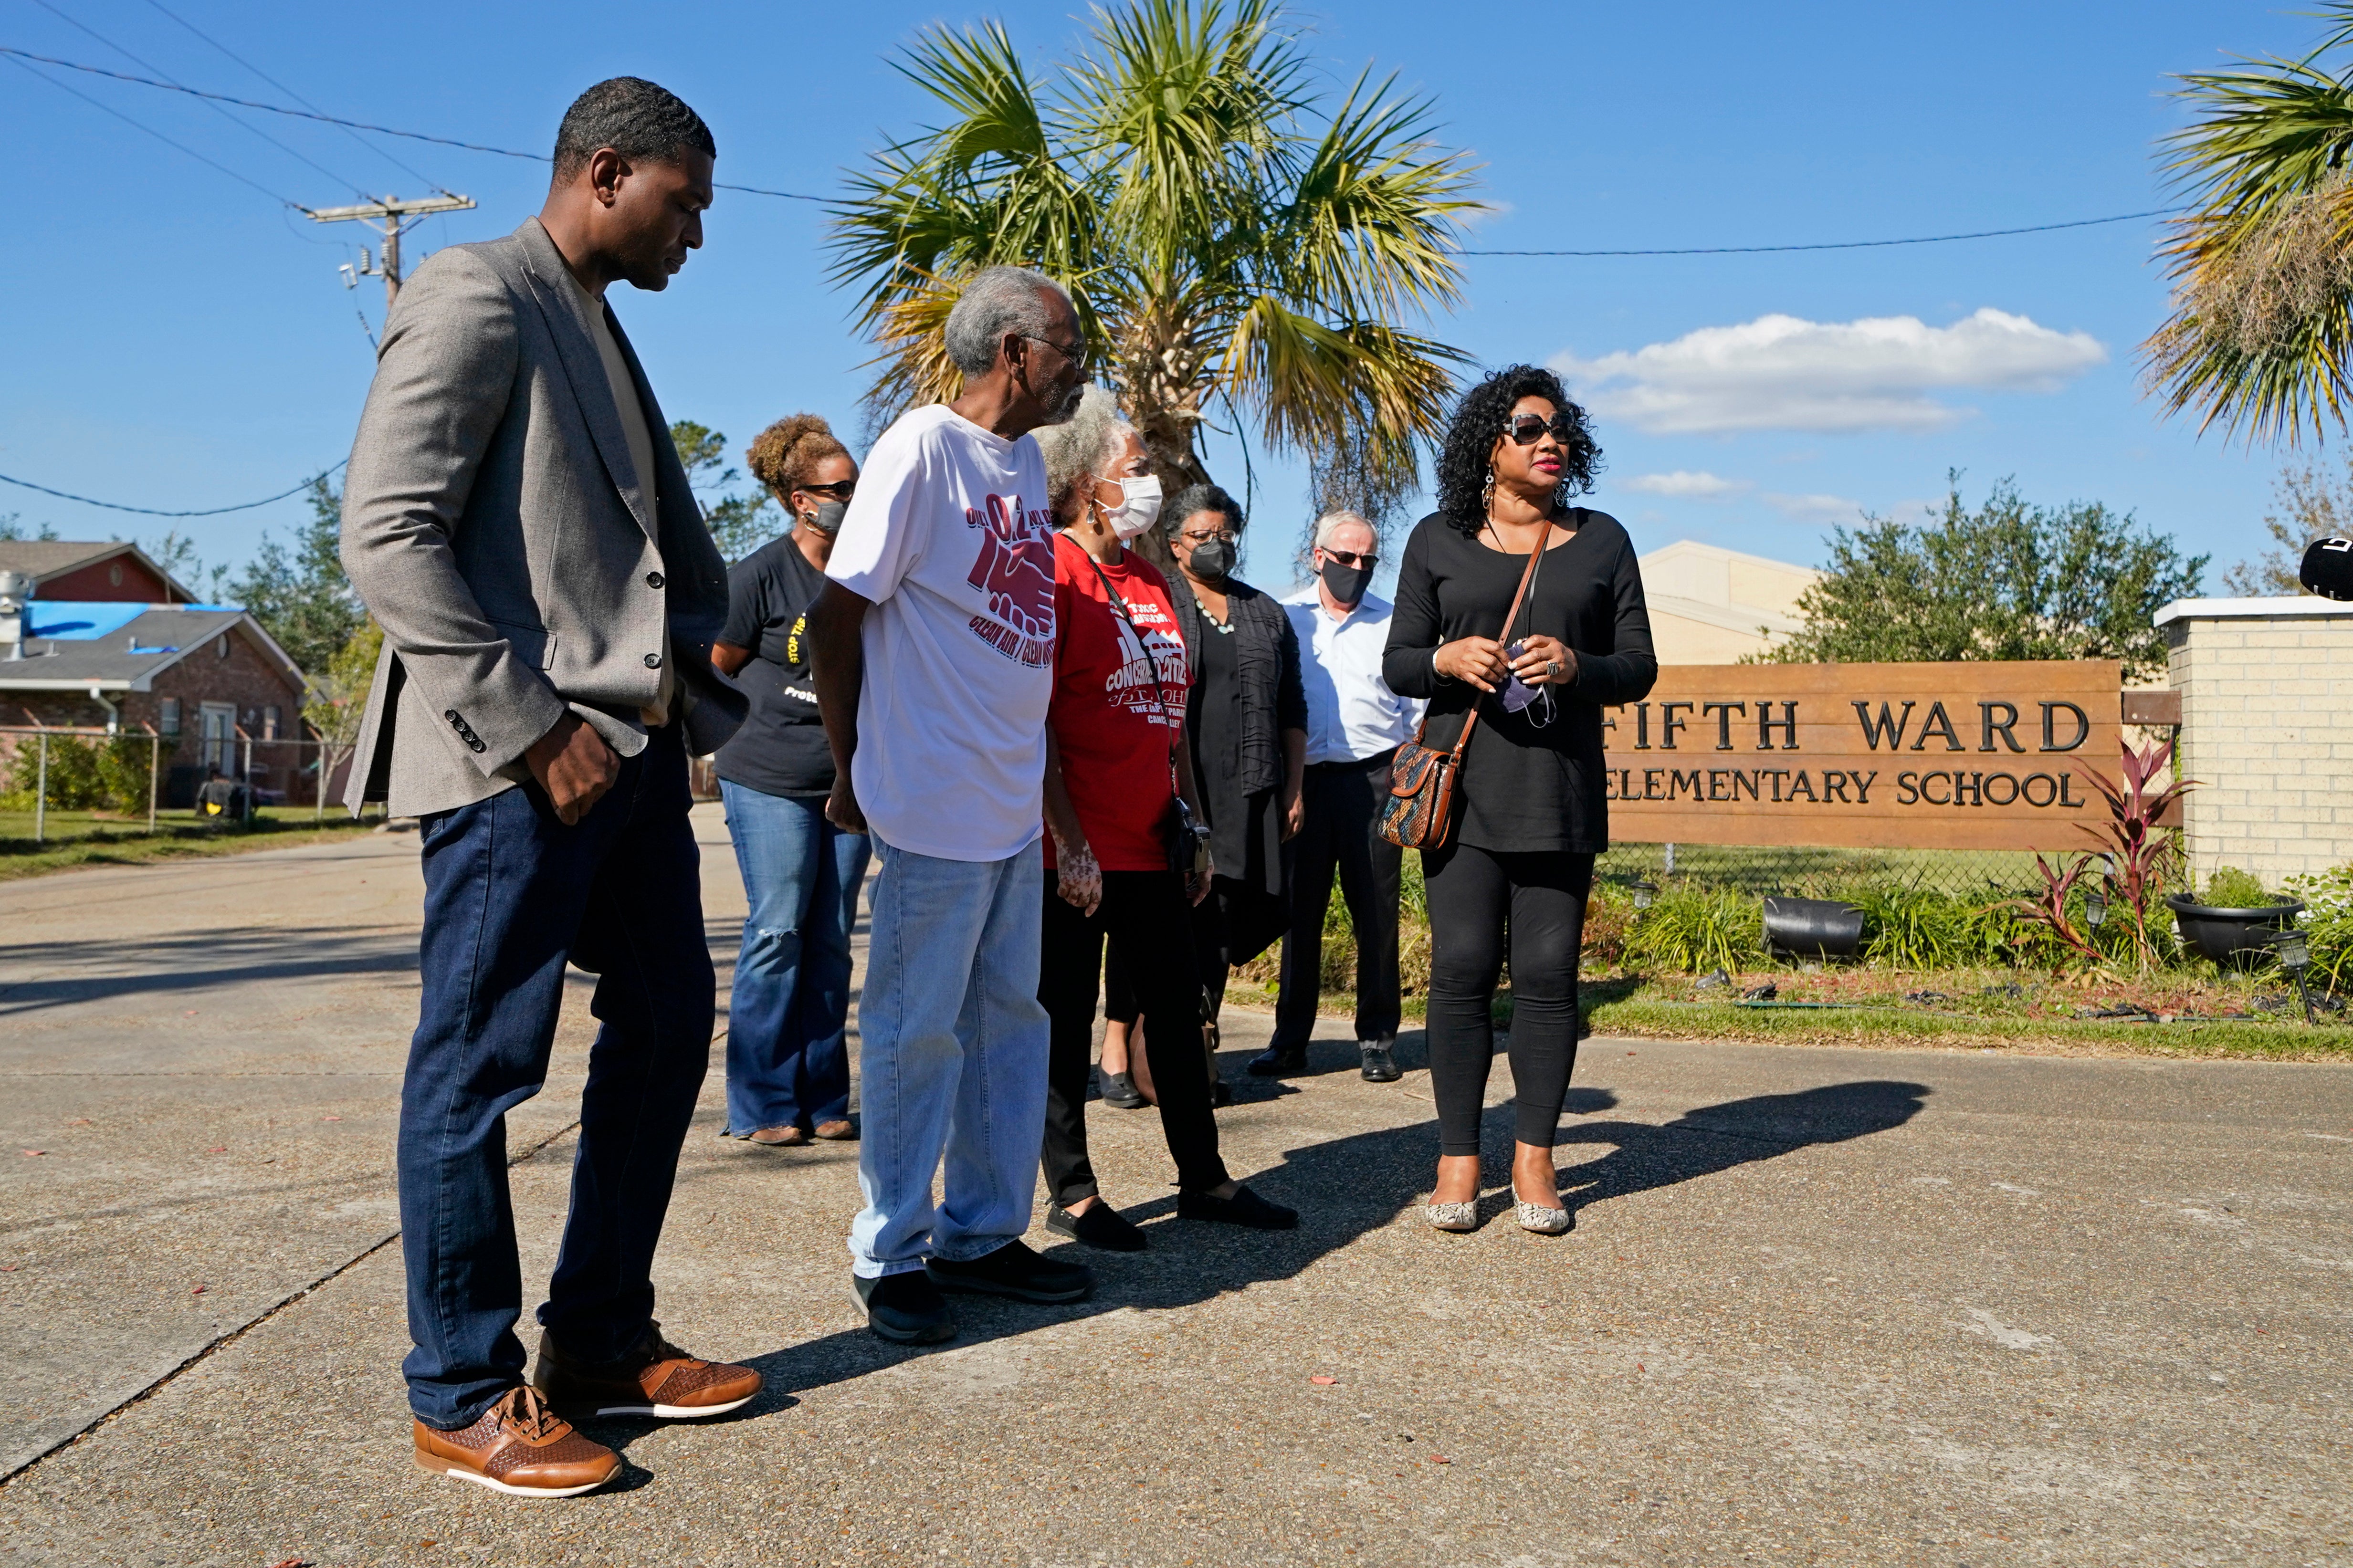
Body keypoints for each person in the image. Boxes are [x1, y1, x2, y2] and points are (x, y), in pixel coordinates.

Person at [341, 78, 762, 1498]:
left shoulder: (595, 320)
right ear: (607, 172)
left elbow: (637, 555)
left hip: (627, 759)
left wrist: (675, 707)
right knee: (479, 1062)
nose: (693, 235)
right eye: (683, 205)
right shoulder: (477, 291)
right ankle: (462, 1388)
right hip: (512, 763)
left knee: (668, 1021)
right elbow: (387, 533)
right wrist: (530, 727)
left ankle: (596, 1339)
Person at [807, 265, 1096, 1344]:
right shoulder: (921, 448)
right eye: (1068, 348)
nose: (1080, 369)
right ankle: (890, 1251)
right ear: (1014, 352)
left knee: (1008, 1028)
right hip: (930, 801)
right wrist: (850, 768)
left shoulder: (1023, 462)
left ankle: (980, 1233)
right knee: (914, 1033)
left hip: (1006, 804)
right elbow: (836, 617)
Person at [1380, 365, 1657, 1235]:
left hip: (1557, 793)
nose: (1551, 442)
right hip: (1461, 792)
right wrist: (1446, 659)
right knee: (1461, 968)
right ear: (1488, 446)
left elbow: (1639, 666)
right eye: (1530, 429)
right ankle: (1458, 1156)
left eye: (1560, 428)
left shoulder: (1603, 540)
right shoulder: (1436, 539)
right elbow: (1399, 660)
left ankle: (1534, 1156)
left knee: (1546, 976)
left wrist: (1578, 666)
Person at [1030, 390, 1298, 1251]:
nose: (1152, 482)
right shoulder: (1052, 570)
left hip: (1155, 842)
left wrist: (1194, 826)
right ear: (1086, 482)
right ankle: (1073, 1191)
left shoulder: (1151, 580)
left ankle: (1204, 1178)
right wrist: (1069, 841)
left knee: (1177, 1016)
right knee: (1064, 1020)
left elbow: (1168, 717)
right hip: (1074, 853)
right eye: (1137, 468)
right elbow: (1035, 722)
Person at [1096, 483, 1306, 1110]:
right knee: (1145, 919)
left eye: (1225, 534)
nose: (1216, 544)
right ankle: (1117, 1048)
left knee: (1217, 923)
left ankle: (1193, 1049)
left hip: (1246, 792)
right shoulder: (1154, 599)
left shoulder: (1265, 611)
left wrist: (1293, 787)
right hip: (1171, 788)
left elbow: (1292, 708)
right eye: (1202, 535)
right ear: (1175, 543)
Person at [710, 415, 869, 1148]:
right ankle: (764, 1102)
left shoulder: (866, 568)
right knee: (779, 929)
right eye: (840, 489)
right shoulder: (761, 574)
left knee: (831, 937)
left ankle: (824, 1095)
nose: (855, 497)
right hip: (768, 776)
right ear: (801, 500)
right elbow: (716, 667)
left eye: (858, 484)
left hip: (848, 780)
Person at [1256, 511, 1425, 1083]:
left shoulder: (1394, 623)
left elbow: (1416, 712)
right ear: (1318, 556)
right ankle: (1289, 1042)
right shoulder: (1285, 619)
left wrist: (1403, 776)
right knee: (1297, 915)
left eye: (1367, 559)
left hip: (1373, 781)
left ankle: (1377, 1039)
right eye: (1345, 556)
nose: (1356, 567)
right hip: (1302, 782)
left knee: (1376, 914)